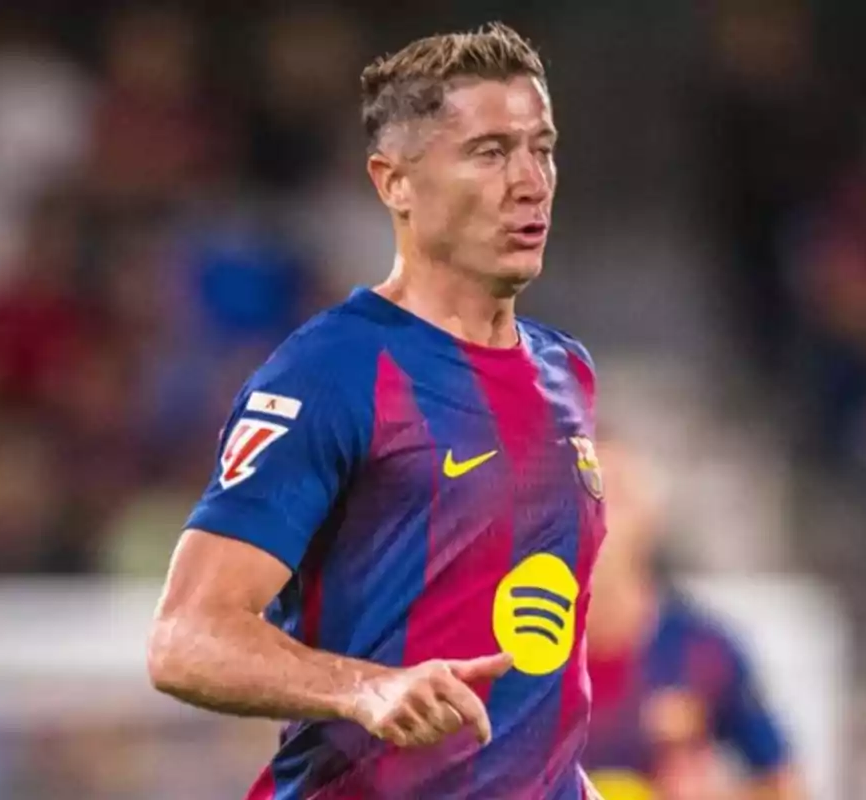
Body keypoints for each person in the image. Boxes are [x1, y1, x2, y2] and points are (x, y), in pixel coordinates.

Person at [147, 22, 607, 799]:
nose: (530, 180)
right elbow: (185, 638)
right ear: (393, 181)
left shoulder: (567, 373)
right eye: (490, 152)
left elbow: (534, 701)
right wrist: (366, 689)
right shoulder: (333, 372)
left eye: (543, 147)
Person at [582, 434, 803, 800]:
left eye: (616, 496)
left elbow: (783, 784)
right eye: (581, 495)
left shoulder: (704, 651)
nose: (597, 514)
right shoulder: (518, 655)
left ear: (651, 517)